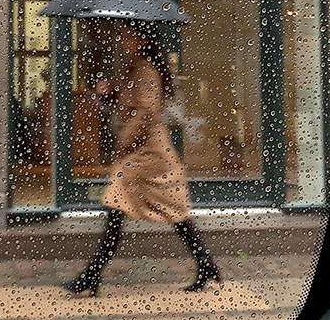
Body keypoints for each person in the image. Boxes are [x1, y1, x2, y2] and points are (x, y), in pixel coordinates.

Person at [62, 21, 222, 296]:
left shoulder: (145, 69)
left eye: (128, 35)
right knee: (171, 210)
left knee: (117, 203)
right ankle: (206, 264)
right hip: (143, 151)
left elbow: (146, 112)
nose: (124, 40)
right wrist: (111, 93)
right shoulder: (138, 66)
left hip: (147, 153)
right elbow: (131, 106)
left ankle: (92, 275)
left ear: (142, 39)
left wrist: (125, 143)